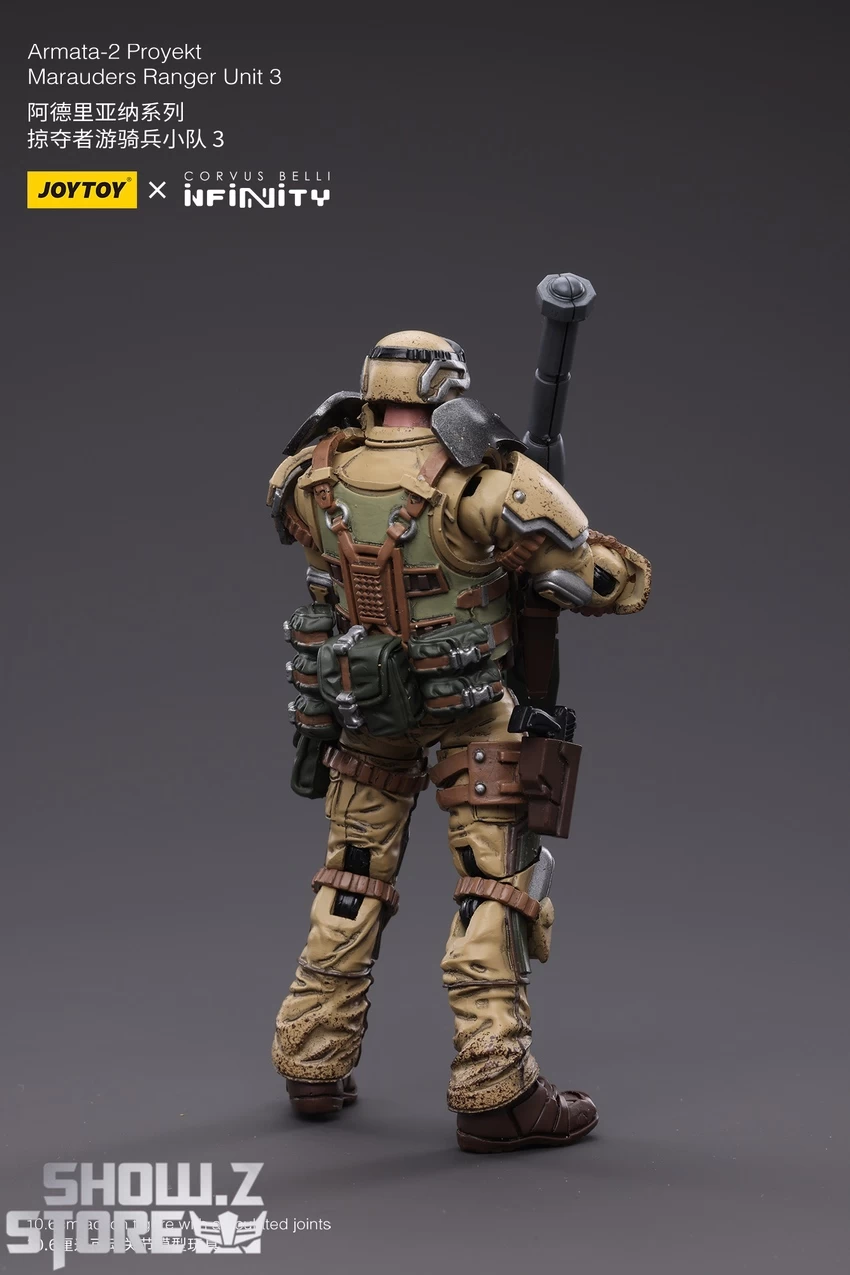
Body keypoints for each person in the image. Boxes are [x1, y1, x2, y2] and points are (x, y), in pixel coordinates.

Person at [266, 330, 650, 1152]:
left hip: (363, 707)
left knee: (351, 876)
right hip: (471, 716)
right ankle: (495, 1087)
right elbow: (605, 583)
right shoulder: (484, 484)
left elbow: (320, 552)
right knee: (496, 883)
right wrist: (555, 545)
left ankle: (312, 1056)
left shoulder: (309, 474)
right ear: (445, 388)